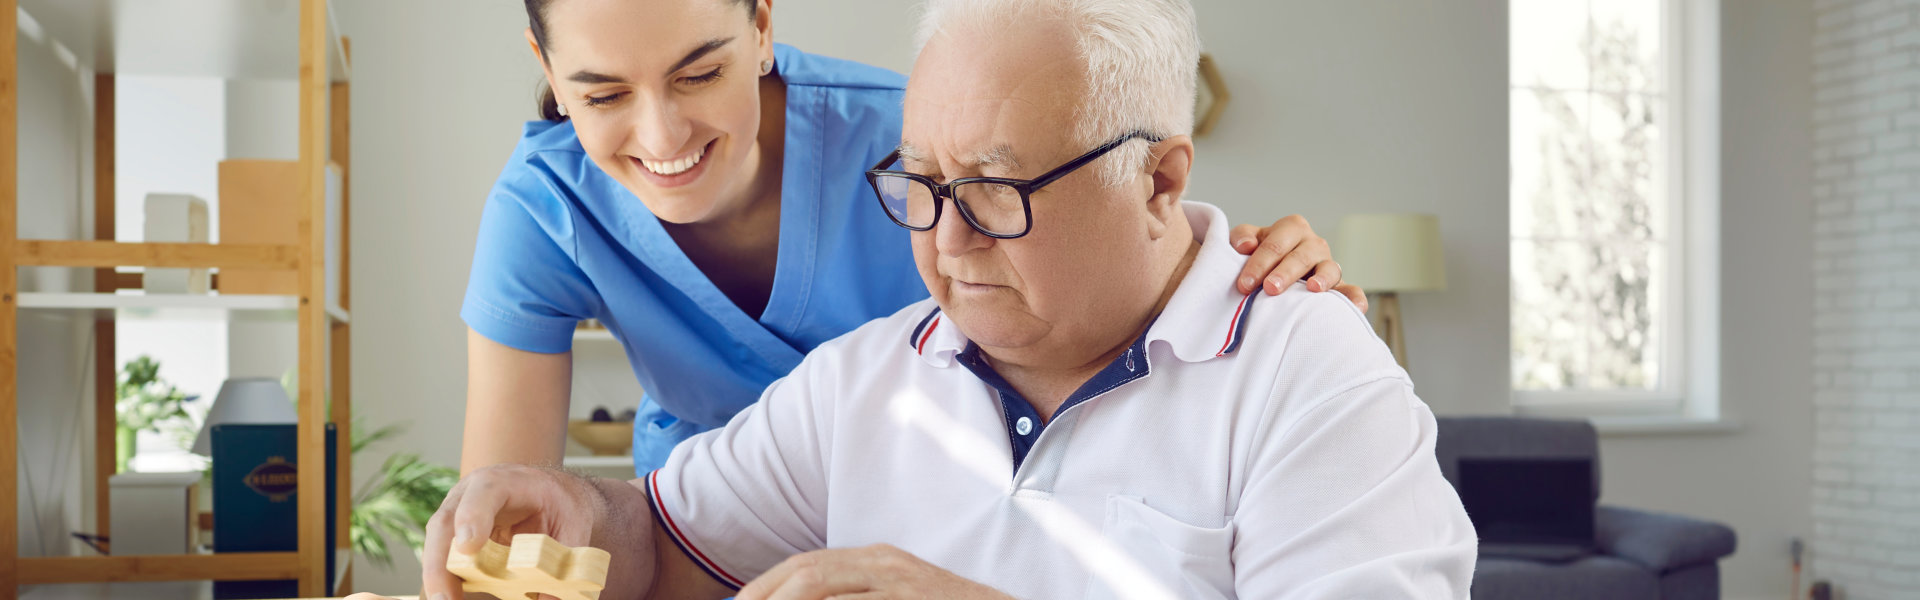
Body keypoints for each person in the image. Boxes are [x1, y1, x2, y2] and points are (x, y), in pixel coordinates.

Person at [375, 0, 1477, 598]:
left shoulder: (1309, 377)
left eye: (996, 191)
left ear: (1160, 180)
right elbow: (663, 540)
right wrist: (578, 516)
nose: (944, 246)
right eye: (922, 185)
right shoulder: (872, 376)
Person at [461, 0, 1371, 477]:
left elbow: (1107, 260)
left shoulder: (915, 141)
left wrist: (1246, 279)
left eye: (700, 73)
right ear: (546, 71)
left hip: (936, 505)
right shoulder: (545, 206)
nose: (662, 140)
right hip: (712, 523)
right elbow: (512, 520)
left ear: (765, 23)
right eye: (603, 94)